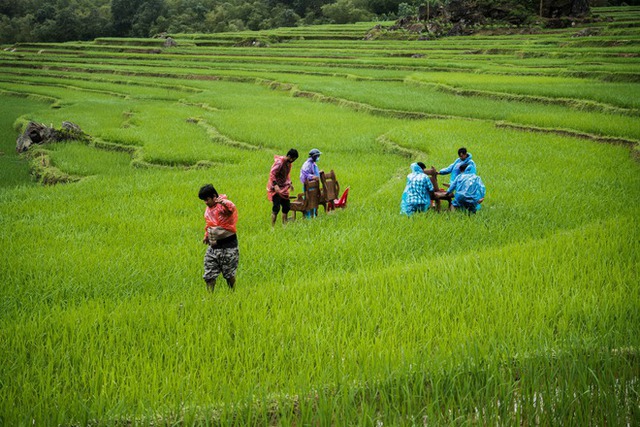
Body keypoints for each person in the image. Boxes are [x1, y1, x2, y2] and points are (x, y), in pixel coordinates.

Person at [198, 184, 239, 292]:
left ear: (214, 196)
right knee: (209, 275)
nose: (206, 202)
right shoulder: (208, 209)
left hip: (228, 247)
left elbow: (232, 208)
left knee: (228, 274)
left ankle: (233, 292)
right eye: (204, 200)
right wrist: (206, 236)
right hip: (213, 247)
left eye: (207, 199)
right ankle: (210, 297)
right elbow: (209, 224)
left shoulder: (223, 206)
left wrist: (223, 202)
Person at [267, 149, 298, 226]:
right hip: (276, 188)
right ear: (289, 156)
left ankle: (284, 225)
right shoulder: (279, 162)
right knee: (276, 208)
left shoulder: (288, 164)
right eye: (293, 159)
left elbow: (287, 175)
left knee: (286, 207)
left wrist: (290, 183)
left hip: (284, 188)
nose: (293, 161)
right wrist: (275, 185)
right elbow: (272, 173)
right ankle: (272, 227)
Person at [299, 148, 322, 218]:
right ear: (314, 156)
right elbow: (304, 174)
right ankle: (308, 216)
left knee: (314, 200)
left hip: (314, 185)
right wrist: (312, 177)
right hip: (308, 185)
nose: (318, 158)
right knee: (309, 200)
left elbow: (315, 173)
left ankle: (313, 215)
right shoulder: (307, 164)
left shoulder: (313, 164)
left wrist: (319, 173)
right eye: (317, 156)